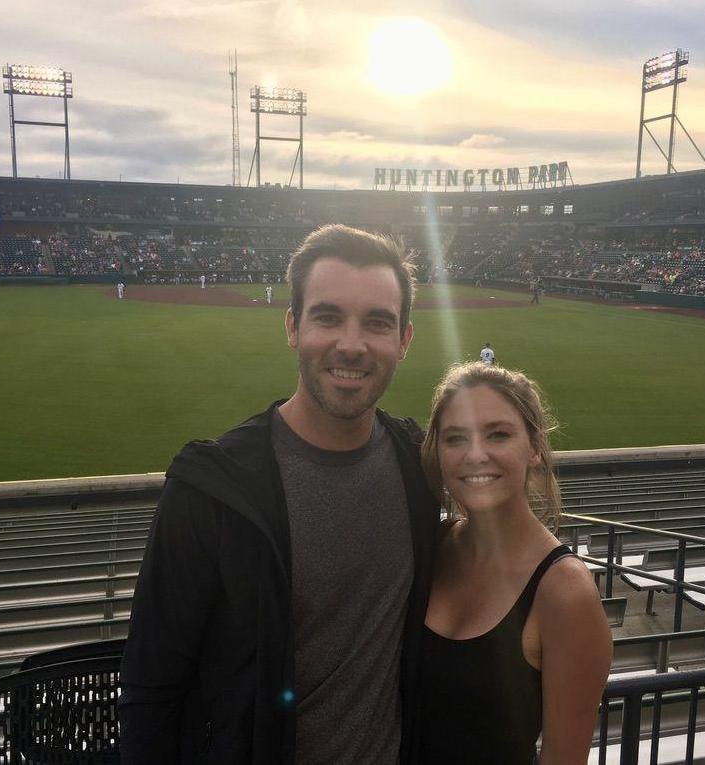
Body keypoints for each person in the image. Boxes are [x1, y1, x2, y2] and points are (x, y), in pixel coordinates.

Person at [119, 224, 440, 765]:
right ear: (292, 326)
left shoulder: (420, 465)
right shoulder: (209, 489)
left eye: (377, 323)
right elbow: (152, 686)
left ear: (404, 340)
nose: (352, 344)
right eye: (327, 315)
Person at [418, 363, 611, 765]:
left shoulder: (564, 591)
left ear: (534, 447)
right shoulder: (430, 547)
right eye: (456, 438)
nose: (475, 455)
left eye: (498, 434)